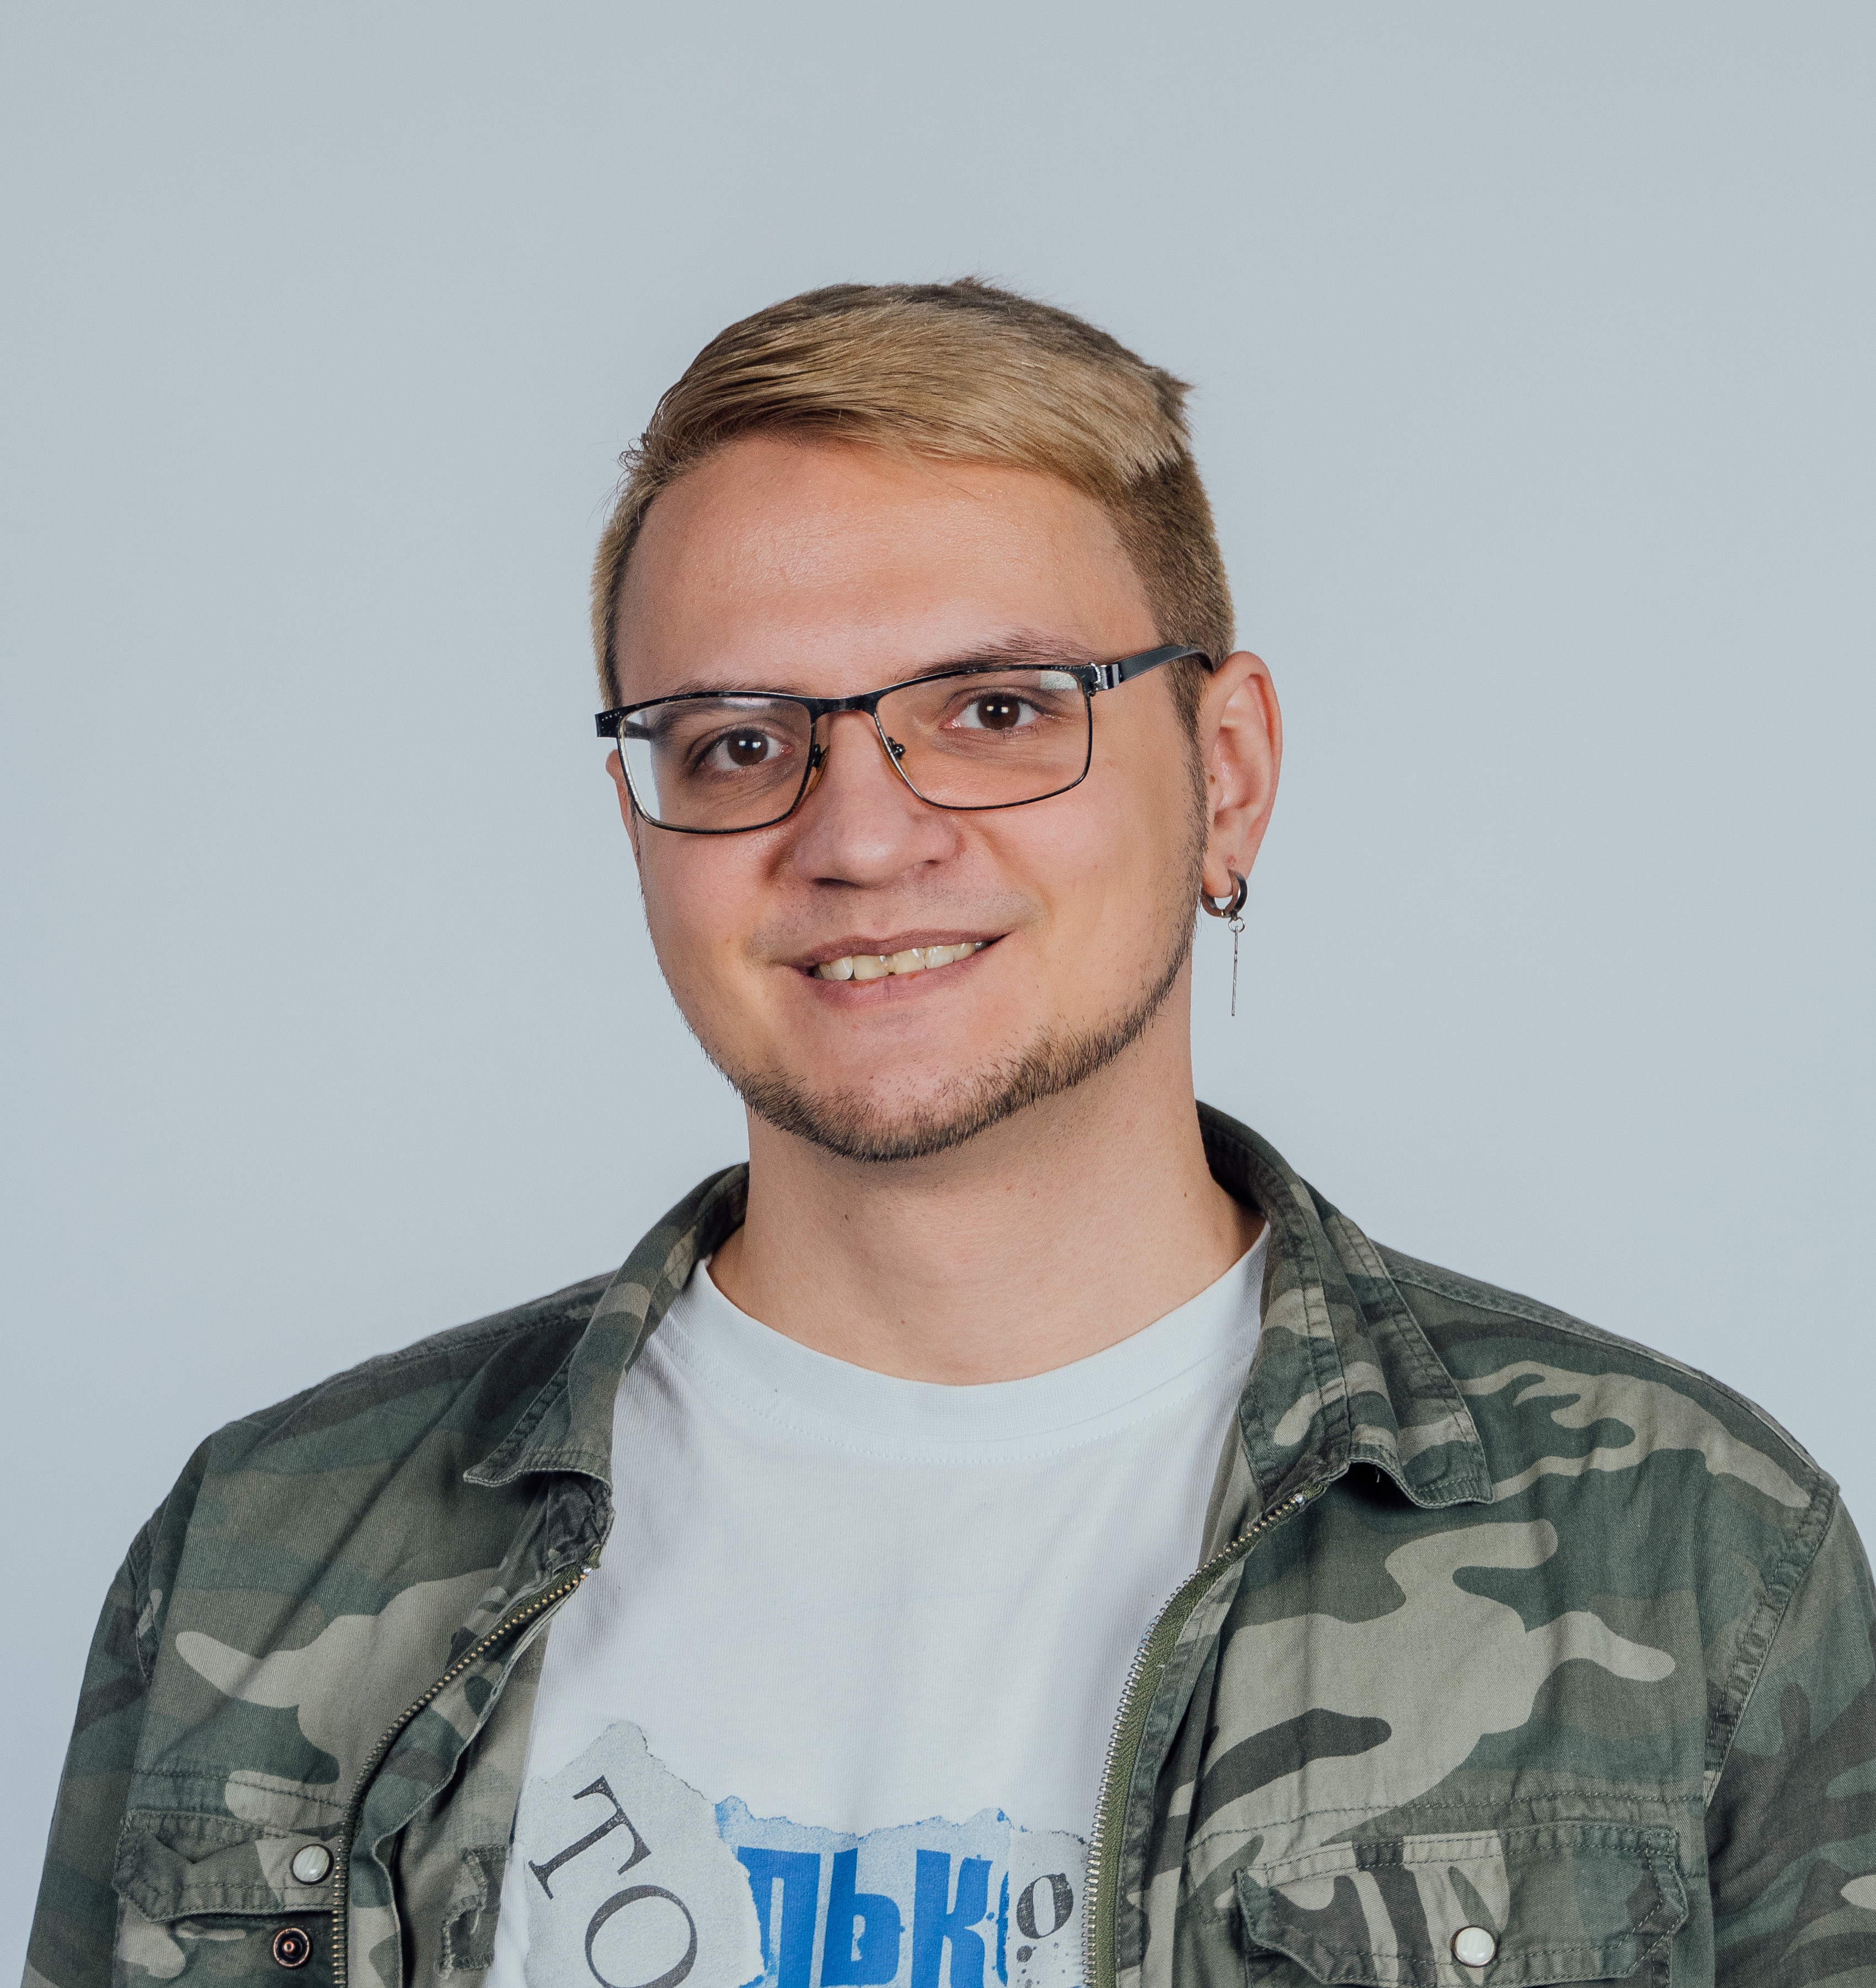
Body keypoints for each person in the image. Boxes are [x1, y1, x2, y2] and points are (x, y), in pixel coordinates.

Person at [26, 280, 1876, 1988]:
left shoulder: (1688, 1547)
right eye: (738, 741)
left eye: (995, 711)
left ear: (1223, 774)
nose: (858, 835)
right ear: (640, 827)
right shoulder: (265, 1555)